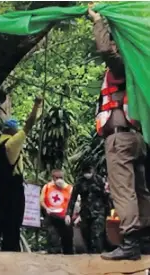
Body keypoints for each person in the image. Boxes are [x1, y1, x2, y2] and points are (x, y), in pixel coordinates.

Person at [89, 7, 150, 260]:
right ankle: (145, 238)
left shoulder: (122, 64)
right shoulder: (140, 66)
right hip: (137, 137)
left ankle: (130, 243)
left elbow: (105, 50)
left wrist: (98, 21)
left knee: (123, 189)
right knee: (140, 189)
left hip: (120, 138)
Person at [0, 97, 42, 251]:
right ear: (12, 131)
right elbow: (29, 124)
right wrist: (36, 105)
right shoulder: (12, 144)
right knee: (13, 223)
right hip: (13, 190)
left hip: (0, 190)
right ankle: (11, 253)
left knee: (2, 219)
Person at [65, 166, 109, 253]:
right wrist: (68, 214)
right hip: (85, 213)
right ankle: (90, 256)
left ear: (93, 171)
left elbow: (106, 197)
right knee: (87, 236)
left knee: (97, 235)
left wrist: (107, 212)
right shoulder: (80, 182)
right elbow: (73, 199)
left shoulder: (99, 180)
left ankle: (97, 255)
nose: (87, 174)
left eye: (89, 171)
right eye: (85, 172)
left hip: (99, 212)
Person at [40, 169, 73, 254]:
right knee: (52, 235)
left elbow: (73, 202)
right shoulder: (47, 187)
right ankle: (53, 252)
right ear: (53, 178)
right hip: (51, 216)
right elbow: (41, 201)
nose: (59, 179)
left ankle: (68, 254)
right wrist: (46, 208)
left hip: (65, 217)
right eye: (57, 177)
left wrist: (69, 214)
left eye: (61, 177)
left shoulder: (69, 188)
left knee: (67, 237)